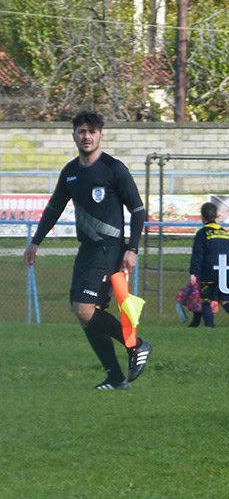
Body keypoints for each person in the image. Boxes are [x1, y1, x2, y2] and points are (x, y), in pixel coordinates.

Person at [23, 110, 152, 390]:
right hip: (87, 249)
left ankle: (137, 345)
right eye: (81, 131)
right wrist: (36, 241)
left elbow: (138, 210)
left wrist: (132, 249)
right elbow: (54, 208)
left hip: (109, 249)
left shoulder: (113, 168)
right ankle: (116, 378)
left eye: (92, 131)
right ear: (74, 135)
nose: (87, 136)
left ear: (101, 135)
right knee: (84, 314)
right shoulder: (70, 172)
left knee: (83, 309)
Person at [190, 202, 229, 329]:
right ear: (216, 216)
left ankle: (210, 327)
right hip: (226, 270)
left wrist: (193, 272)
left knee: (206, 301)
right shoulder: (224, 233)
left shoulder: (203, 233)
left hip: (209, 271)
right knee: (226, 300)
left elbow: (198, 254)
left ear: (202, 217)